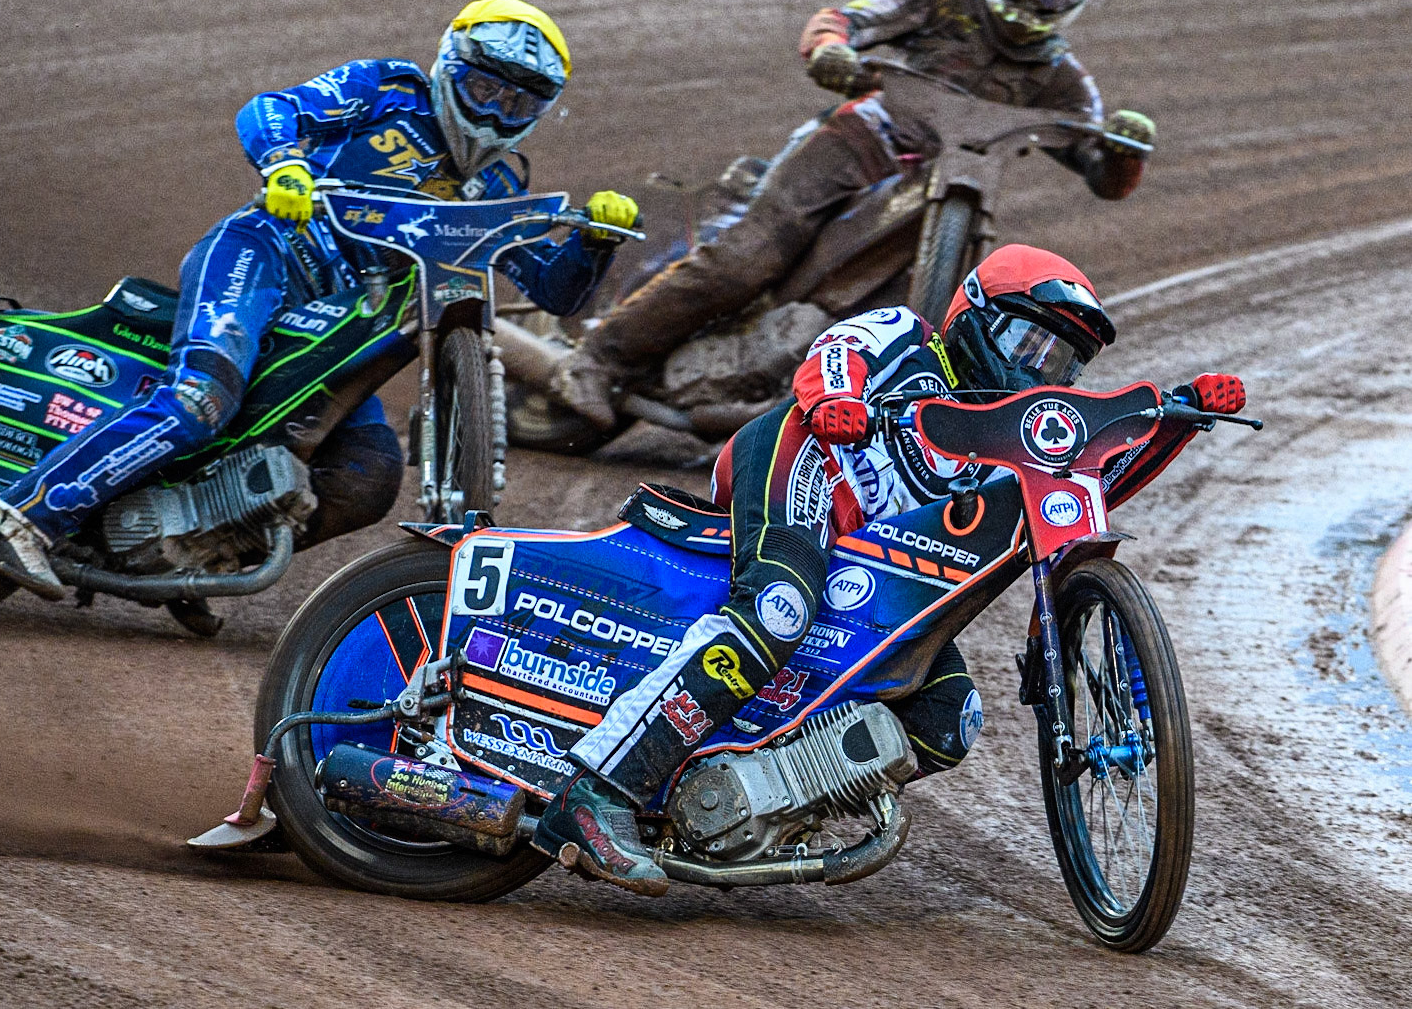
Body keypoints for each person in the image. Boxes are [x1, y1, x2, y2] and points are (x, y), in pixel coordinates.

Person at [532, 244, 1247, 894]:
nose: (1037, 369)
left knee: (946, 717)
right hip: (808, 459)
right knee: (778, 607)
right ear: (973, 315)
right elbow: (835, 352)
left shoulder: (1006, 436)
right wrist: (837, 402)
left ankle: (753, 802)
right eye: (1025, 341)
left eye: (1059, 362)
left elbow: (1092, 482)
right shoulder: (907, 336)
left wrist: (1177, 420)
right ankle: (595, 791)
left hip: (873, 558)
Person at [0, 0, 640, 599]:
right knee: (200, 399)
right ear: (446, 66)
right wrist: (285, 163)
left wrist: (595, 240)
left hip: (342, 323)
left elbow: (554, 289)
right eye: (482, 87)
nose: (494, 113)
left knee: (367, 473)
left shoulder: (492, 190)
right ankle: (22, 516)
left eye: (517, 103)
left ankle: (200, 554)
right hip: (266, 253)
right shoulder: (386, 89)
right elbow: (271, 109)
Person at [550, 0, 1156, 431]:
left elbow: (1103, 173)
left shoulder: (1066, 85)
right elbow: (843, 18)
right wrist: (831, 50)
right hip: (856, 145)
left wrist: (1126, 151)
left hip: (952, 200)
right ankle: (600, 359)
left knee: (924, 321)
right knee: (748, 256)